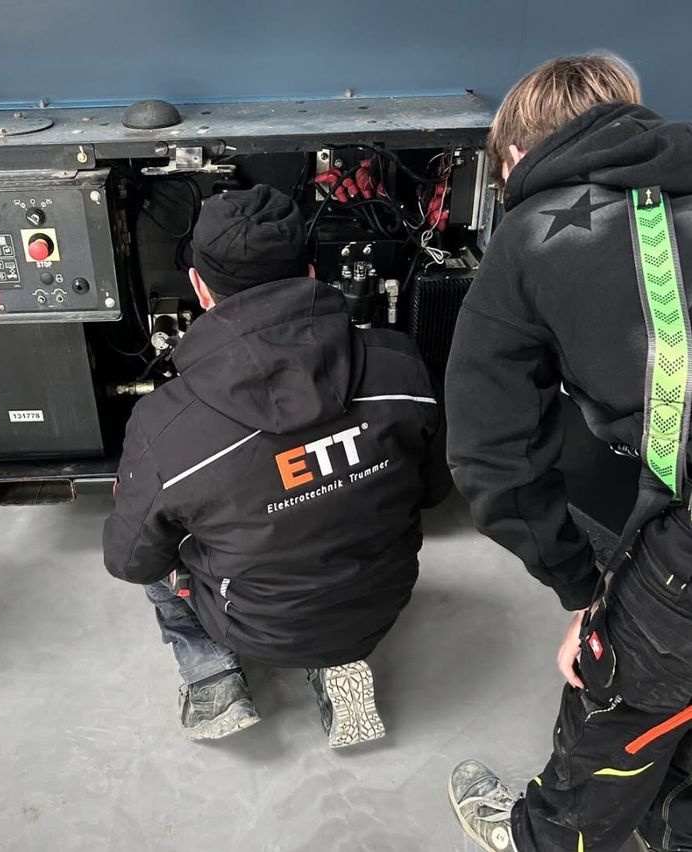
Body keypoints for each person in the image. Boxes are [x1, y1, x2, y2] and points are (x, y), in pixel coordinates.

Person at [445, 55, 692, 851]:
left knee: (620, 698)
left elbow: (491, 458)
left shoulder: (528, 237)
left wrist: (588, 592)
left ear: (514, 155)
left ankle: (545, 839)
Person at [104, 184, 449, 747]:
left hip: (255, 627)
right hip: (378, 605)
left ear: (200, 288)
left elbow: (129, 562)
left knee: (157, 551)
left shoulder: (164, 424)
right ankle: (339, 661)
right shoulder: (400, 365)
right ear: (311, 270)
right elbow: (433, 492)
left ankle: (212, 674)